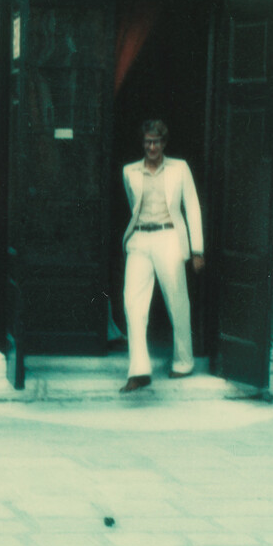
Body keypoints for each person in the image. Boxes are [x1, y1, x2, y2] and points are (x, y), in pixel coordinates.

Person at [119, 119, 205, 393]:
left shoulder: (179, 168)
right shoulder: (130, 171)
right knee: (133, 303)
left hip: (169, 237)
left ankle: (183, 362)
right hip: (140, 239)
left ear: (164, 143)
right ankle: (139, 370)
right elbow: (134, 206)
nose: (152, 147)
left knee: (177, 302)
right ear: (143, 143)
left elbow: (192, 206)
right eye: (148, 142)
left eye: (156, 142)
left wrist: (197, 249)